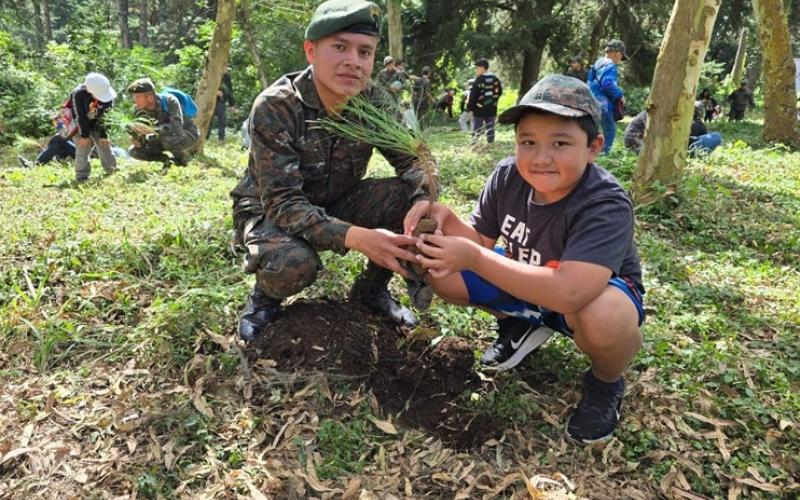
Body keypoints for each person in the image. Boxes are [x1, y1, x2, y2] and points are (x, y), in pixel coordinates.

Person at [404, 74, 645, 443]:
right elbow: (479, 242)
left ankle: (605, 384)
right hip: (529, 280)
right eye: (527, 142)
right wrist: (447, 219)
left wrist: (473, 256)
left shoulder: (604, 202)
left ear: (593, 147)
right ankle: (520, 324)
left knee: (605, 316)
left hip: (582, 299)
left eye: (561, 143)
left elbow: (570, 291)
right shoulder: (507, 176)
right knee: (443, 274)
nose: (541, 158)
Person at [229, 0, 435, 342]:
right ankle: (264, 298)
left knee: (405, 198)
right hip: (270, 211)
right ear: (311, 50)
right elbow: (283, 203)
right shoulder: (277, 106)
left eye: (365, 52)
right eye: (340, 47)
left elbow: (415, 159)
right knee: (294, 262)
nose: (354, 61)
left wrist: (423, 200)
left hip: (337, 200)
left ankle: (371, 291)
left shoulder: (374, 102)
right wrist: (361, 238)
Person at [126, 78, 200, 166]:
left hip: (187, 134)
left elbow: (177, 129)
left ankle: (184, 161)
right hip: (161, 138)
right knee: (134, 151)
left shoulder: (170, 101)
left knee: (167, 138)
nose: (135, 101)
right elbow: (138, 131)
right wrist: (134, 137)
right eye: (134, 97)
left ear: (150, 97)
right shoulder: (138, 110)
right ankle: (167, 161)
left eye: (138, 97)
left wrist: (151, 130)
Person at [623, 103, 722, 155]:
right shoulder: (662, 113)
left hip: (643, 143)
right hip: (642, 144)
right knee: (716, 137)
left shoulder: (660, 111)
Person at [71, 72, 118, 182]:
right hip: (79, 125)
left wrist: (104, 135)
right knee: (83, 148)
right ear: (89, 90)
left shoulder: (108, 96)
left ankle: (112, 169)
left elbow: (106, 116)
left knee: (104, 145)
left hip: (97, 123)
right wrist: (85, 135)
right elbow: (79, 116)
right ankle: (81, 175)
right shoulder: (78, 94)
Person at [587, 39, 626, 154]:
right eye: (621, 56)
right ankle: (604, 157)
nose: (620, 60)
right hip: (604, 105)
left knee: (593, 131)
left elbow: (588, 83)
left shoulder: (596, 64)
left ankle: (589, 155)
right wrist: (620, 95)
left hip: (592, 102)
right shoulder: (610, 66)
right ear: (617, 53)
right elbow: (607, 84)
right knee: (610, 130)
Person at [467, 58, 503, 145]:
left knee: (477, 127)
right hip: (492, 108)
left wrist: (470, 108)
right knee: (490, 126)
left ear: (482, 68)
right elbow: (499, 92)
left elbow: (473, 95)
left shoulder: (479, 80)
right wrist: (493, 100)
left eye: (477, 68)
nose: (476, 70)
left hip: (479, 108)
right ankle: (490, 143)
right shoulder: (495, 79)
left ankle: (475, 143)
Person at [208, 65, 236, 141]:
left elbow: (230, 91)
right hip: (211, 102)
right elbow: (206, 87)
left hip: (222, 102)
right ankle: (205, 138)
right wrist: (214, 91)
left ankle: (221, 139)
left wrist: (232, 104)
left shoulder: (227, 78)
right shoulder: (212, 75)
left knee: (222, 121)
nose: (227, 70)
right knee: (209, 121)